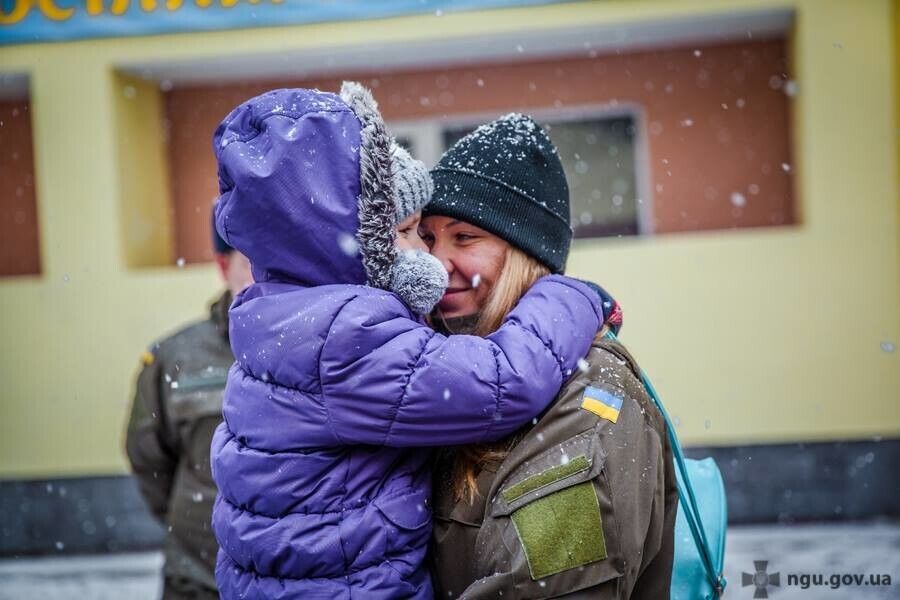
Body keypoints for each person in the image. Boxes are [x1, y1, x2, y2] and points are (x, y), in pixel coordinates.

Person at [209, 83, 608, 599]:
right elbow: (504, 379)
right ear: (355, 242)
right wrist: (570, 297)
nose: (428, 255)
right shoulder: (346, 335)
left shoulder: (281, 315)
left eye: (461, 237)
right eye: (410, 231)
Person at [422, 113, 678, 599]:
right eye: (428, 238)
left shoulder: (590, 404)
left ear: (525, 253)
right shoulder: (451, 375)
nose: (435, 263)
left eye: (465, 237)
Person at [125, 219, 252, 599]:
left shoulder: (322, 348)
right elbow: (150, 460)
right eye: (253, 260)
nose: (269, 274)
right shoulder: (175, 358)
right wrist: (201, 516)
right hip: (199, 578)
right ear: (223, 265)